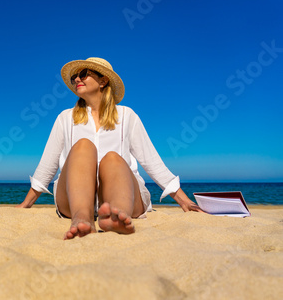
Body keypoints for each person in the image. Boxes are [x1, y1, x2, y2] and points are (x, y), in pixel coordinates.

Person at [17, 57, 203, 240]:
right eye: (74, 77)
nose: (76, 80)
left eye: (83, 74)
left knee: (112, 158)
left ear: (103, 81)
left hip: (123, 194)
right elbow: (47, 166)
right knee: (83, 146)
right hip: (72, 200)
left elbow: (151, 161)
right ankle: (82, 219)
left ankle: (118, 216)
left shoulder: (127, 115)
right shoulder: (65, 118)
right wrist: (26, 204)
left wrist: (183, 200)